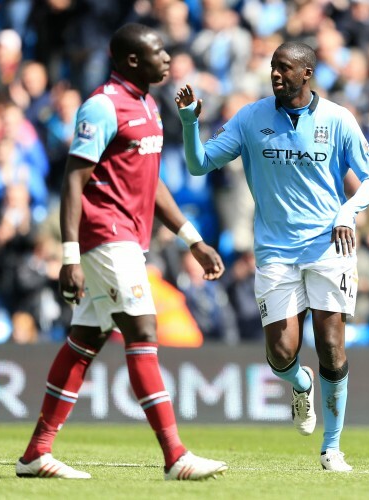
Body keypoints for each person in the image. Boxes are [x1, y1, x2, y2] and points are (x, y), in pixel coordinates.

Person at [15, 22, 228, 481]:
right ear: (132, 60)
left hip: (130, 237)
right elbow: (74, 178)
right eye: (158, 52)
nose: (167, 58)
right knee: (143, 327)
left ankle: (37, 452)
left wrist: (193, 239)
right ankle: (175, 456)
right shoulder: (102, 106)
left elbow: (151, 183)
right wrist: (70, 254)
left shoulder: (149, 105)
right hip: (105, 235)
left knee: (85, 340)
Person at [175, 41, 369, 472]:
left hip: (328, 245)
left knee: (330, 344)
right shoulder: (252, 118)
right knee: (283, 352)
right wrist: (188, 123)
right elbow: (198, 165)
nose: (276, 75)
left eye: (285, 68)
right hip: (274, 251)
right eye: (273, 67)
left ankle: (332, 446)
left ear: (306, 73)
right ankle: (300, 384)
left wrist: (347, 211)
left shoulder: (337, 120)